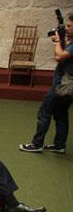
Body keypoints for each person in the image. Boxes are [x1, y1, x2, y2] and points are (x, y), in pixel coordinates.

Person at [20, 12, 73, 154]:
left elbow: (59, 56)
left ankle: (37, 144)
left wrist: (57, 42)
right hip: (66, 85)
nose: (67, 28)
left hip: (62, 84)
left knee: (44, 111)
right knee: (61, 114)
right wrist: (61, 41)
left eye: (69, 26)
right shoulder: (71, 42)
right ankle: (59, 145)